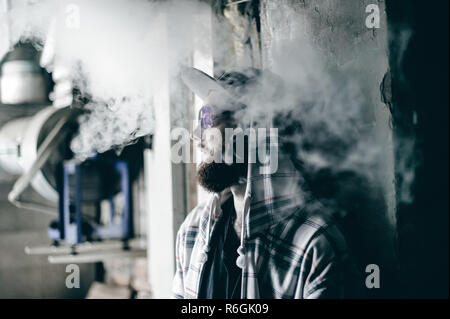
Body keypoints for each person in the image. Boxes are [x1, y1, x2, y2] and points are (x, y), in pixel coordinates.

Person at [172, 67, 360, 299]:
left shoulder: (313, 247)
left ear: (255, 129)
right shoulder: (192, 231)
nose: (196, 134)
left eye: (210, 119)